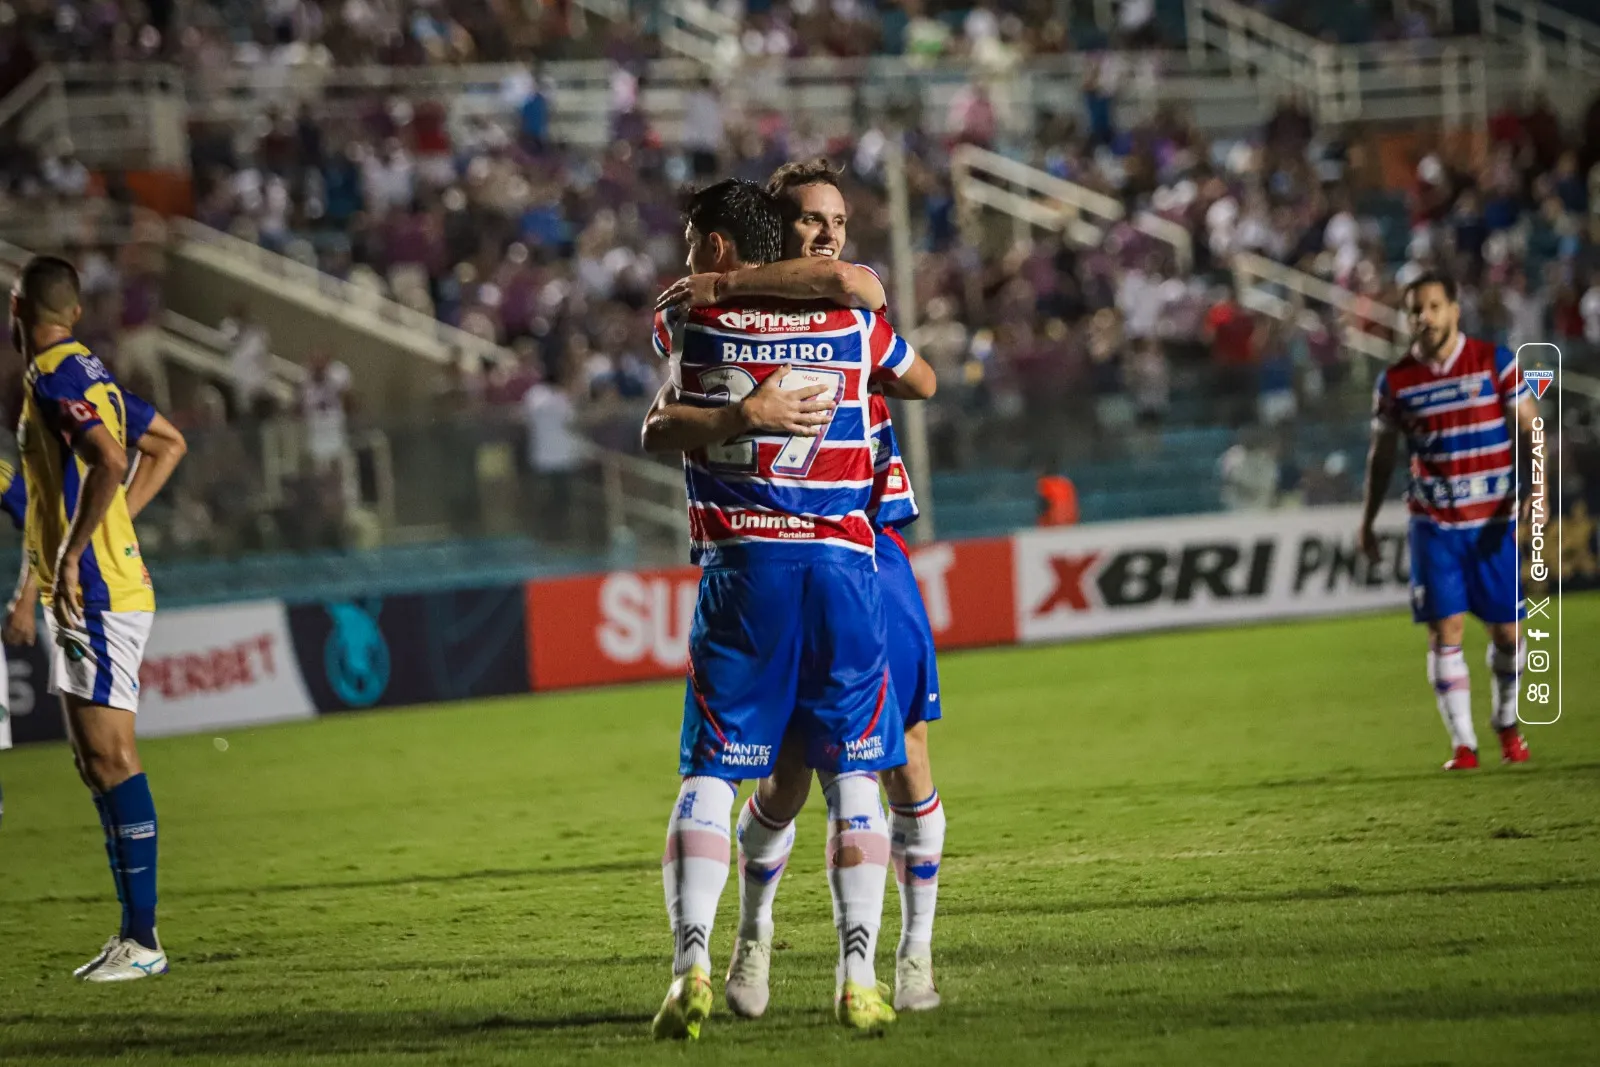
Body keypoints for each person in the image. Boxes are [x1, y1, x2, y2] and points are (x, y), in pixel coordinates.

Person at [640, 178, 936, 1039]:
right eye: (817, 220)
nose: (831, 235)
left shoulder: (689, 316)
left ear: (718, 247)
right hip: (843, 566)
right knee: (853, 772)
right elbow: (904, 353)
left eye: (698, 243)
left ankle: (691, 962)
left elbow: (657, 425)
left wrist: (738, 404)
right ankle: (859, 976)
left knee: (712, 772)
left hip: (743, 568)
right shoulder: (853, 322)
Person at [7, 255, 187, 980]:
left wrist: (80, 550)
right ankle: (132, 937)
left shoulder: (54, 378)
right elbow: (167, 443)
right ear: (74, 312)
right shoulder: (91, 373)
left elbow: (110, 459)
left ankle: (143, 940)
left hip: (100, 593)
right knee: (93, 761)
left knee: (111, 758)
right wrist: (108, 529)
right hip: (94, 588)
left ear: (16, 310)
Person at [1360, 272, 1537, 771]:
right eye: (1416, 310)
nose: (1425, 317)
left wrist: (1537, 488)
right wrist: (1367, 520)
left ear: (1455, 310)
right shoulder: (1395, 382)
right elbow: (1382, 455)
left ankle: (1506, 721)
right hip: (1433, 523)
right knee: (1446, 630)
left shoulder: (1494, 362)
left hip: (1492, 522)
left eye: (1434, 306)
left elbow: (1531, 428)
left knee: (1509, 636)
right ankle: (1464, 744)